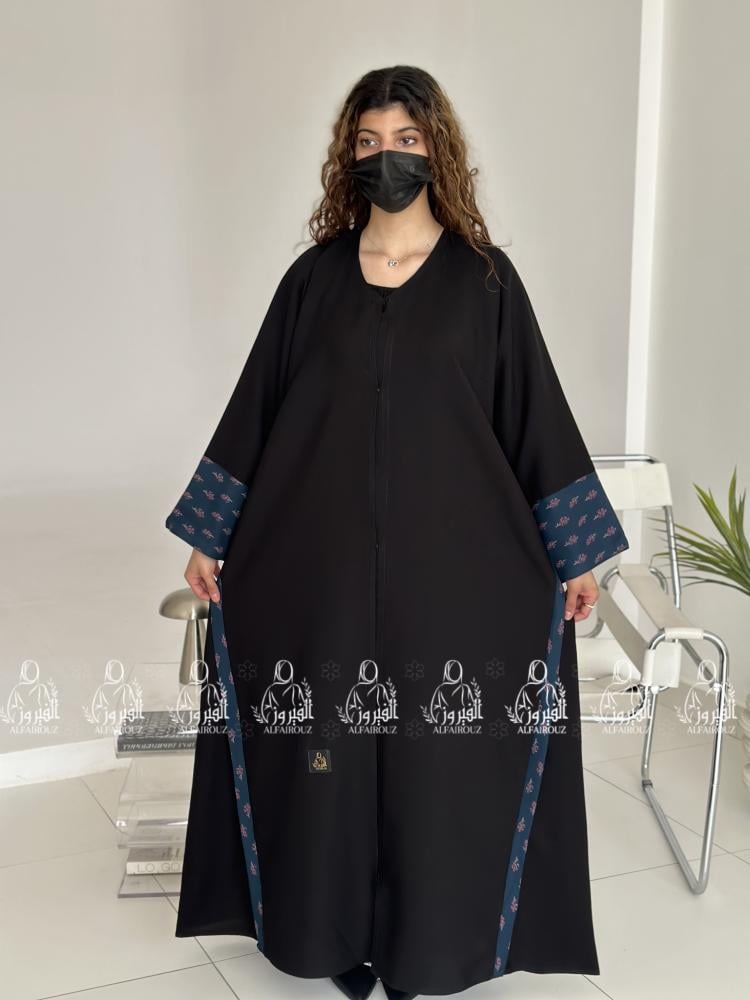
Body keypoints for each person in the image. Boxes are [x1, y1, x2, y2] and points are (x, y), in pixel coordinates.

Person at [164, 65, 629, 1000]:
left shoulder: (485, 283)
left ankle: (425, 949)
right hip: (321, 570)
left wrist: (576, 556)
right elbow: (256, 410)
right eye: (370, 142)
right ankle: (330, 937)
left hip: (454, 577)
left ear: (437, 151)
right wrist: (210, 533)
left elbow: (534, 418)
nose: (389, 158)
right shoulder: (313, 281)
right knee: (325, 757)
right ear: (349, 156)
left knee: (432, 765)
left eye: (407, 141)